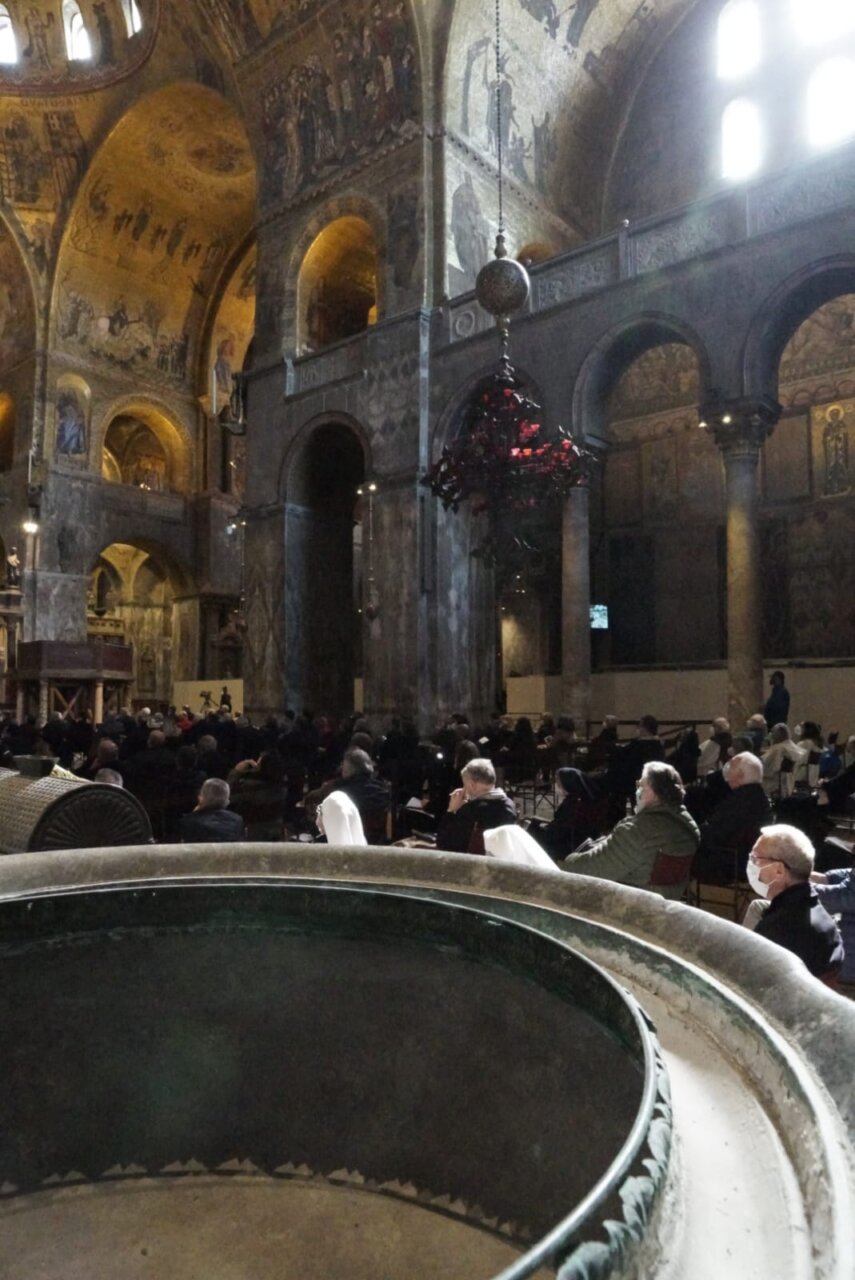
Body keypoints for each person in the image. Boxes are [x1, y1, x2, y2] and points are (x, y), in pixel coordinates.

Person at [562, 760, 699, 898]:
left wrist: (567, 861)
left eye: (641, 786)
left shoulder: (638, 830)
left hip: (628, 904)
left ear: (655, 792)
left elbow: (589, 870)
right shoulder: (688, 824)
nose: (637, 791)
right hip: (666, 902)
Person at [743, 824, 843, 979]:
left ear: (779, 871)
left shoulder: (777, 930)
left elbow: (746, 977)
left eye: (755, 859)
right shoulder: (812, 906)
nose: (751, 864)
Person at [694, 752, 771, 880]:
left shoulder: (740, 801)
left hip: (730, 862)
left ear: (740, 775)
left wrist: (692, 833)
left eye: (731, 766)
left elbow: (717, 834)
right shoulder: (757, 796)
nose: (727, 769)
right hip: (747, 859)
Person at [436, 757, 517, 853]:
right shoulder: (509, 804)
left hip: (469, 863)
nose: (464, 789)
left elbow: (443, 844)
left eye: (464, 785)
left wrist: (451, 810)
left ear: (472, 785)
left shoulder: (471, 810)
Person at [812, 862, 855, 993]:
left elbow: (844, 896)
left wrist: (791, 883)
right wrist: (796, 870)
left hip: (845, 962)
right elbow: (845, 877)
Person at [179, 777, 244, 843]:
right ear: (227, 801)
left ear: (200, 798)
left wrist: (193, 815)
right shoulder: (237, 820)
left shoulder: (188, 822)